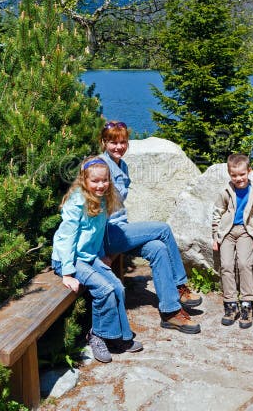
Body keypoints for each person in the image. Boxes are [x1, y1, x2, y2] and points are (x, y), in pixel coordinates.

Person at [100, 120, 202, 334]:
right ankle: (179, 286)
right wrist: (102, 253)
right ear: (103, 143)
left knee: (158, 248)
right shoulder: (100, 168)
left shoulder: (122, 165)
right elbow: (92, 213)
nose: (118, 147)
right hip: (106, 235)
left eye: (123, 142)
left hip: (120, 230)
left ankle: (171, 312)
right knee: (163, 229)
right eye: (113, 142)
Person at [51, 156, 142, 363]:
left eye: (105, 180)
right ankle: (97, 336)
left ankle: (119, 337)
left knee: (117, 286)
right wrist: (67, 273)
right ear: (84, 180)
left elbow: (97, 232)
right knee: (104, 289)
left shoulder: (103, 199)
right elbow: (66, 239)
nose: (101, 185)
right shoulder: (76, 203)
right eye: (95, 181)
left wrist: (101, 254)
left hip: (88, 256)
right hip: (69, 259)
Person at [212, 153, 253, 329]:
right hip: (227, 232)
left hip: (245, 232)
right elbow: (217, 213)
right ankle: (230, 304)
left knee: (244, 264)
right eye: (234, 175)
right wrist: (216, 235)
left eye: (242, 174)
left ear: (249, 171)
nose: (239, 178)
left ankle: (247, 304)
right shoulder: (225, 191)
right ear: (230, 174)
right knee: (226, 265)